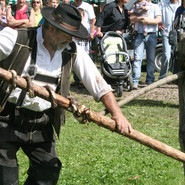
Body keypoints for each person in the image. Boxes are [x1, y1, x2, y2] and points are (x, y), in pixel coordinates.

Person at [0, 4, 132, 184]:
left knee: (48, 174)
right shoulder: (15, 37)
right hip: (6, 119)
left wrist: (118, 115)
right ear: (50, 28)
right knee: (5, 177)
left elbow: (99, 84)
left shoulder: (71, 50)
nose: (71, 38)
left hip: (41, 122)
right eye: (66, 33)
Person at [130, 1, 162, 89]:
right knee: (137, 58)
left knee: (151, 58)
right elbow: (131, 18)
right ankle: (135, 81)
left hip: (152, 34)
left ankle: (150, 80)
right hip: (139, 34)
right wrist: (140, 19)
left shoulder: (155, 6)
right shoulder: (136, 5)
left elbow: (159, 20)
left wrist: (148, 21)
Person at [158, 0, 180, 80]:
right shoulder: (162, 3)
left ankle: (176, 77)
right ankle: (162, 77)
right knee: (166, 55)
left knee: (177, 55)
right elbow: (156, 14)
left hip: (178, 34)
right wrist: (158, 23)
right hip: (166, 33)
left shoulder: (181, 3)